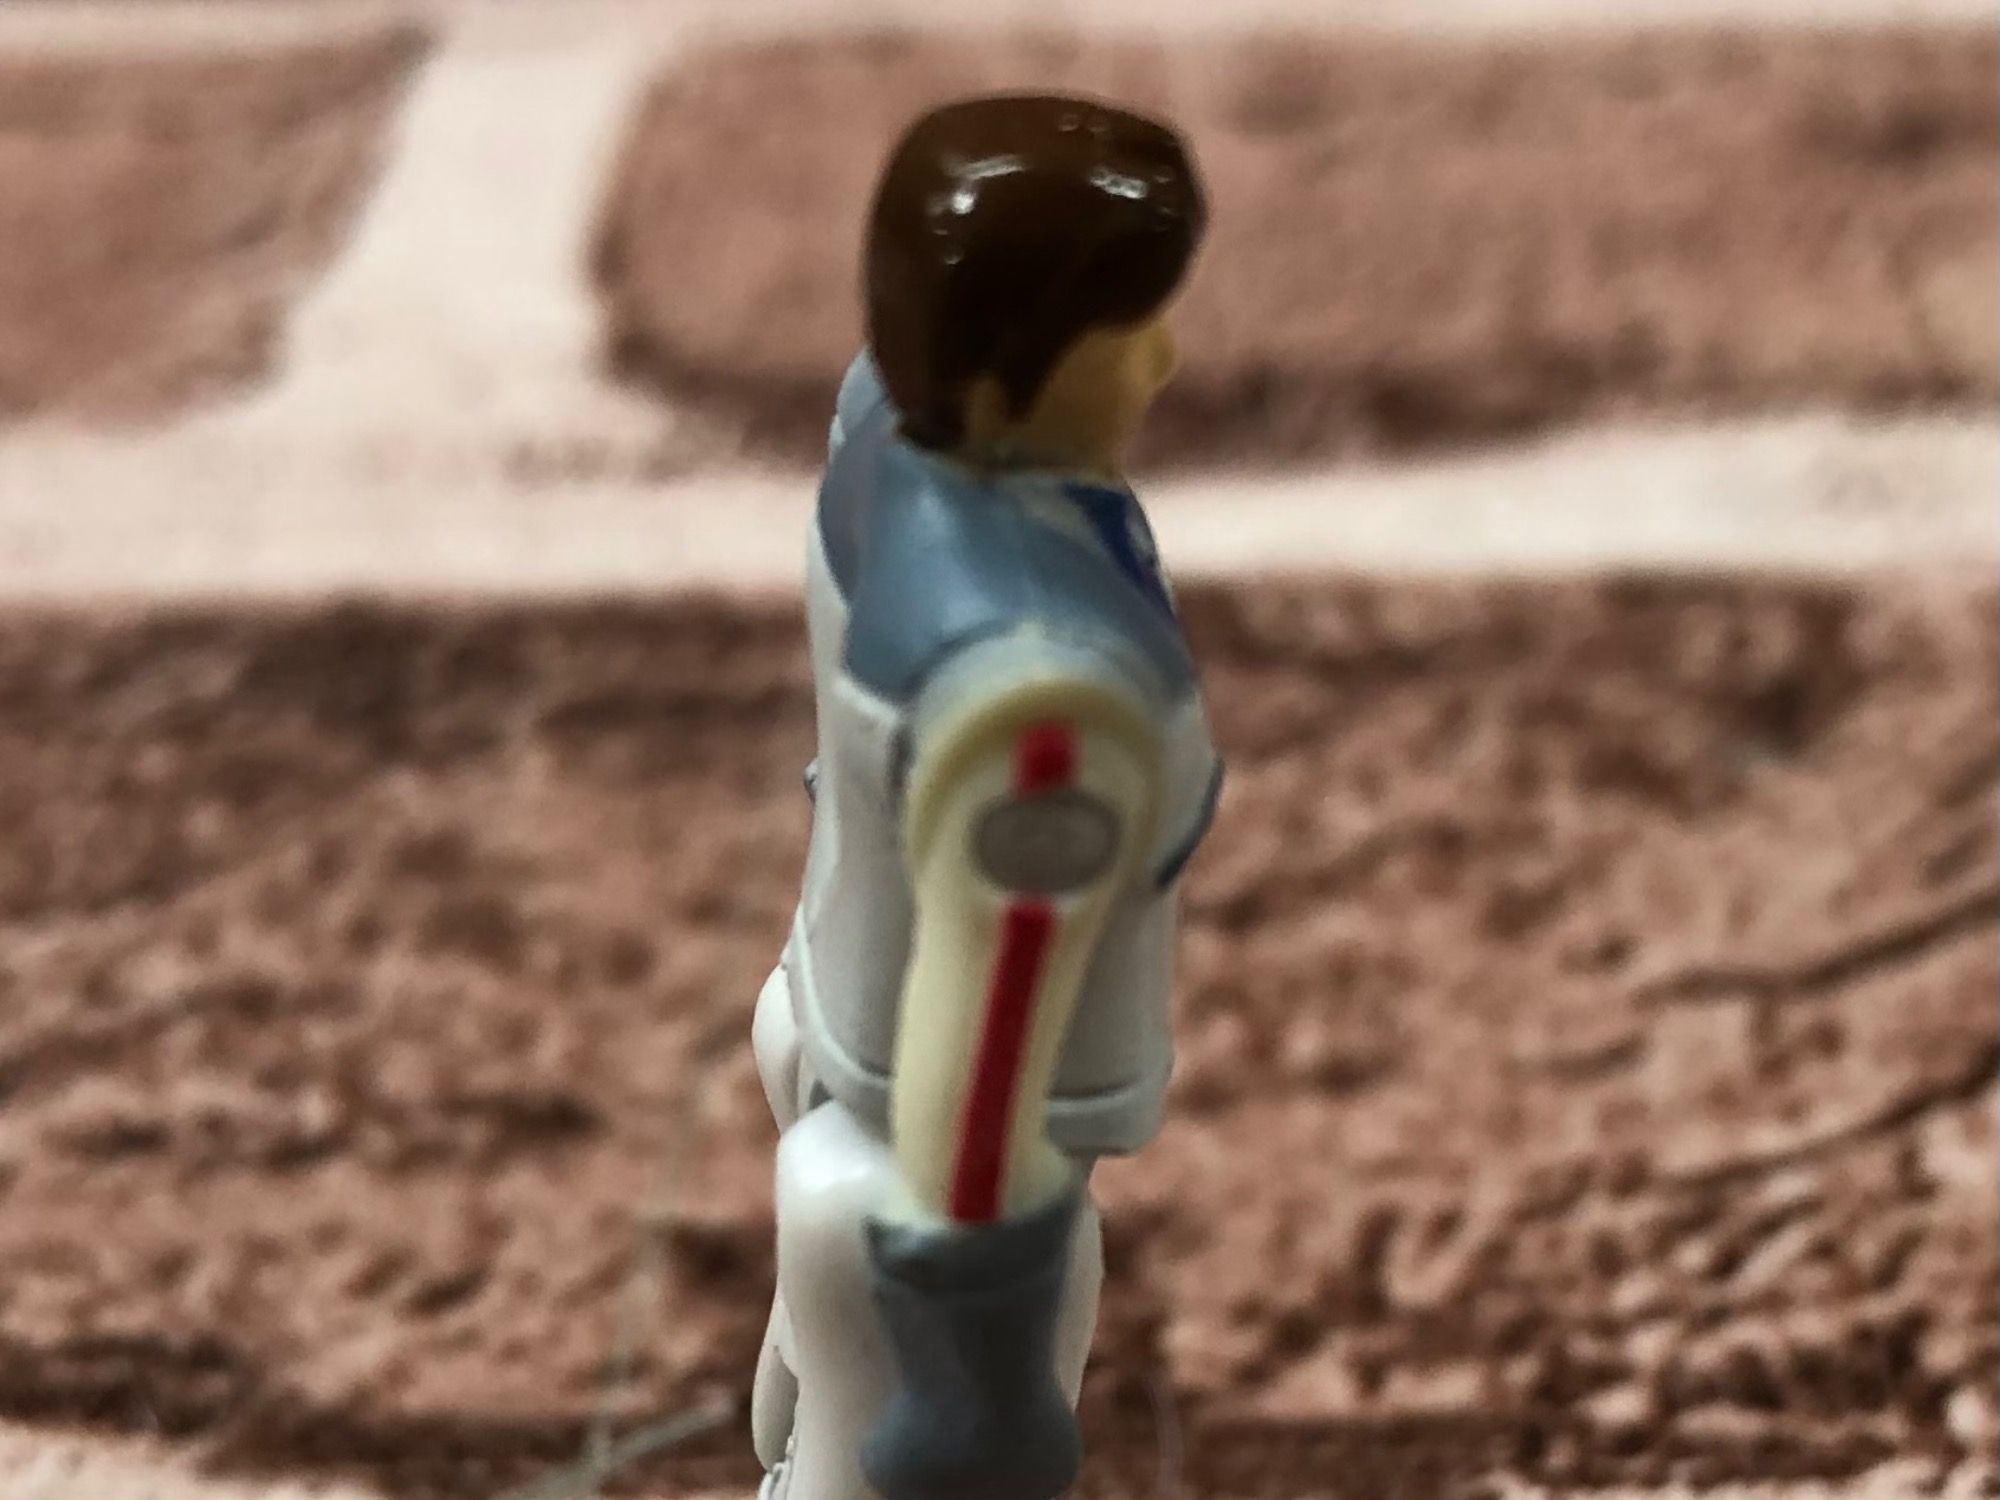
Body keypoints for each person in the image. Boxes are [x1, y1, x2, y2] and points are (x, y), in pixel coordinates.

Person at [749, 91, 1222, 1500]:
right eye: (1123, 329)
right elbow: (991, 1028)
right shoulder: (1045, 700)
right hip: (935, 1164)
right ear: (1015, 369)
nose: (1163, 356)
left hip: (832, 1006)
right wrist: (976, 1349)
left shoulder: (879, 434)